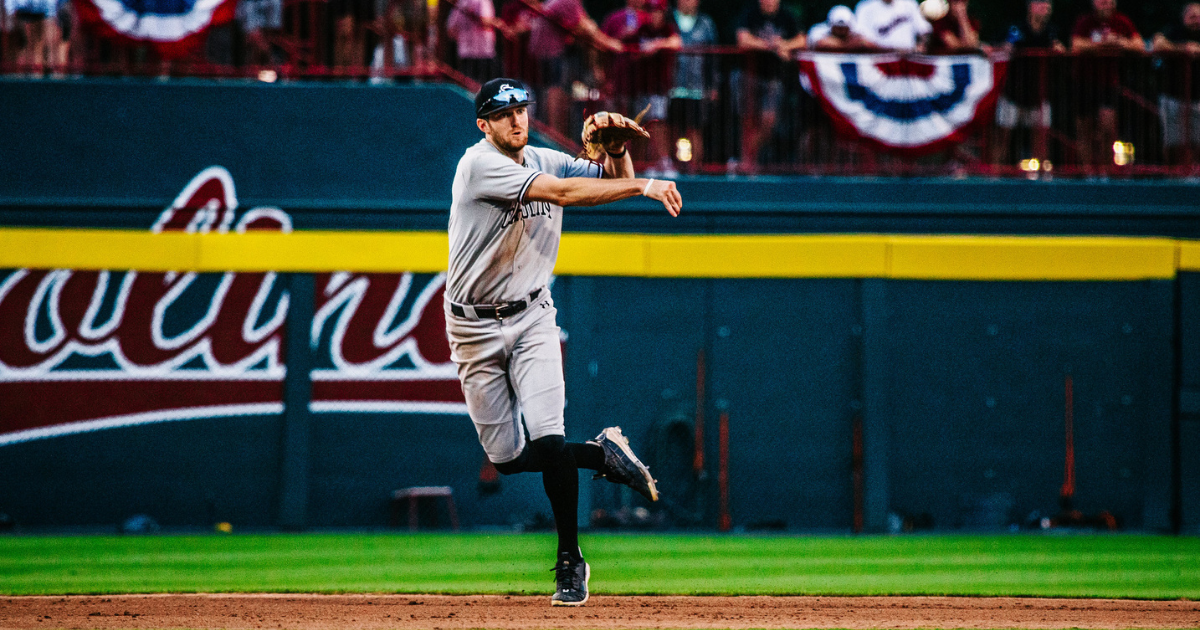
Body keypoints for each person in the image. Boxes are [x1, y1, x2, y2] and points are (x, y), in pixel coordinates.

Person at [447, 78, 681, 607]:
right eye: (503, 113)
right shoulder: (478, 165)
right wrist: (644, 184)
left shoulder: (545, 157)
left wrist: (619, 154)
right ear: (483, 123)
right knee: (506, 459)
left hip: (532, 318)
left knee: (549, 438)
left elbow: (602, 185)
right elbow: (567, 193)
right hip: (474, 327)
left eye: (521, 110)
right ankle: (601, 455)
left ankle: (569, 563)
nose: (516, 120)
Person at [1070, 0, 1143, 173]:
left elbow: (1139, 45)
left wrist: (1119, 42)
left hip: (1109, 83)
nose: (1105, 3)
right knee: (1084, 129)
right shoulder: (1085, 21)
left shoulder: (1122, 21)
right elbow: (1076, 45)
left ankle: (1104, 170)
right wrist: (1102, 45)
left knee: (1107, 127)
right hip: (1084, 81)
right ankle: (1088, 172)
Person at [528, 0, 621, 135]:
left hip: (545, 52)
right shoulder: (569, 1)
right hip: (551, 52)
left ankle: (555, 134)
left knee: (555, 89)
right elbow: (586, 28)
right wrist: (611, 44)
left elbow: (585, 23)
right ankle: (556, 135)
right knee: (556, 90)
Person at [734, 0, 805, 172]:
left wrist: (785, 45)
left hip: (774, 78)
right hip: (749, 75)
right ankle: (748, 164)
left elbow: (803, 40)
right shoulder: (750, 13)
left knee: (769, 122)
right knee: (747, 121)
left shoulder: (786, 15)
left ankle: (746, 158)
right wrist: (770, 46)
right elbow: (742, 39)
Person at [992, 0, 1064, 166]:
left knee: (1041, 139)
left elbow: (1060, 49)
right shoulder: (1017, 29)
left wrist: (1059, 51)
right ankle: (994, 176)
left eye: (1048, 4)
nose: (1046, 8)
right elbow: (1003, 47)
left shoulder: (1051, 31)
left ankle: (1042, 179)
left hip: (1039, 94)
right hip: (1012, 93)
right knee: (1003, 138)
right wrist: (1006, 48)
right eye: (1041, 3)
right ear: (1031, 7)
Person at [669, 0, 717, 172]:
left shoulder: (706, 23)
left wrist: (712, 85)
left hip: (697, 87)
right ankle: (672, 167)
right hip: (671, 86)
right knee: (671, 128)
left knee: (695, 128)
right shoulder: (668, 19)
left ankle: (695, 170)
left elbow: (712, 58)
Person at [1152, 2, 1200, 167]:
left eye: (1199, 17)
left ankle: (1194, 176)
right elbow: (1158, 43)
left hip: (1197, 98)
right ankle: (1174, 176)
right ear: (1184, 17)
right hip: (1173, 95)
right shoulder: (1174, 30)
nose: (1196, 20)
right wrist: (1184, 49)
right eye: (1192, 16)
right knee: (1173, 143)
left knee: (1197, 141)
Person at [446, 0, 508, 83]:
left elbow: (451, 30)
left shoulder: (461, 3)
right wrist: (500, 24)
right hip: (484, 52)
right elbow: (484, 21)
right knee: (486, 88)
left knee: (468, 90)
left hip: (466, 53)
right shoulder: (483, 1)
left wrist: (464, 38)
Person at [853, 0, 930, 51]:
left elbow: (924, 30)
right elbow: (861, 39)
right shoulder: (865, 7)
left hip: (908, 61)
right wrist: (893, 50)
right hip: (877, 63)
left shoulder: (909, 4)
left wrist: (921, 44)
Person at [808, 5, 875, 50]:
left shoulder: (860, 30)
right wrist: (849, 44)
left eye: (844, 28)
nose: (841, 31)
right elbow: (820, 43)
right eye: (838, 27)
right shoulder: (818, 30)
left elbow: (871, 44)